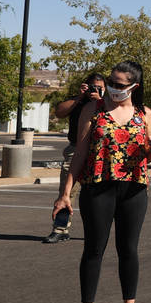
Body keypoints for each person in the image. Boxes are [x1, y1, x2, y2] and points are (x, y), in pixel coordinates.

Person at [51, 61, 151, 303]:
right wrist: (65, 193)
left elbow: (147, 157)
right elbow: (79, 153)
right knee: (94, 249)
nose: (113, 88)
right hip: (98, 188)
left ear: (134, 86)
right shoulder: (93, 109)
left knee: (129, 249)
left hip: (134, 189)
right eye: (112, 82)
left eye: (120, 84)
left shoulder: (144, 113)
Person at [44, 72, 105, 243]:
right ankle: (60, 229)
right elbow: (59, 112)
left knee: (100, 194)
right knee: (66, 190)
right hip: (75, 149)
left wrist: (98, 101)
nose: (95, 90)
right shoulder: (78, 101)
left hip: (100, 152)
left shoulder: (109, 104)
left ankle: (98, 231)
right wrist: (80, 97)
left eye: (100, 88)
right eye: (92, 86)